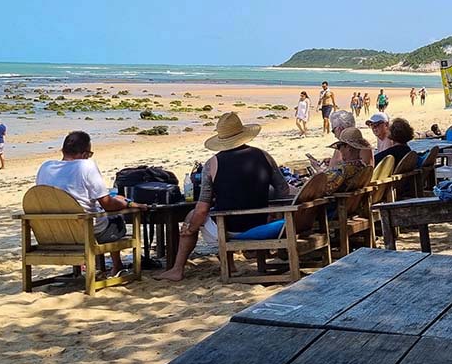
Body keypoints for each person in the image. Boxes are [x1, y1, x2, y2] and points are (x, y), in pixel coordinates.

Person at [156, 113, 290, 281]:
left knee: (193, 216)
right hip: (260, 222)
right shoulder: (263, 156)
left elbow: (202, 208)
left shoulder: (212, 164)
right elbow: (283, 190)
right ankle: (229, 264)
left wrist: (190, 228)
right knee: (217, 213)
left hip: (231, 228)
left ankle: (177, 269)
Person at [36, 131, 141, 278]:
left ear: (63, 150)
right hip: (85, 231)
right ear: (85, 154)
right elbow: (108, 205)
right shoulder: (86, 166)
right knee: (115, 219)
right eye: (89, 154)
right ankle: (117, 266)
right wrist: (127, 203)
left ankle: (96, 265)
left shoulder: (45, 167)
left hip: (53, 232)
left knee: (91, 214)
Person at [319, 127, 373, 193]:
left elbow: (322, 188)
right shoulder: (363, 167)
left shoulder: (342, 170)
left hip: (337, 201)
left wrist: (318, 170)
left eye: (339, 146)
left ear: (348, 147)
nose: (339, 150)